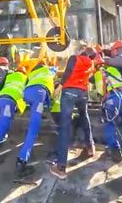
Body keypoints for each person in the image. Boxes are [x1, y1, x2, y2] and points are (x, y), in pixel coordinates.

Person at [50, 44, 95, 180]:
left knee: (65, 126)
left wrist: (60, 85)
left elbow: (68, 71)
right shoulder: (91, 63)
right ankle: (90, 146)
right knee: (84, 116)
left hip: (69, 92)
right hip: (82, 93)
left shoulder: (74, 58)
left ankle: (61, 167)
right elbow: (90, 79)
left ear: (81, 51)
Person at [15, 60, 54, 179]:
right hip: (39, 94)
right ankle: (21, 161)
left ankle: (22, 157)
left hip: (27, 93)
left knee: (33, 120)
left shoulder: (32, 74)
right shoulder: (49, 70)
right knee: (34, 128)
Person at [0, 65, 27, 165]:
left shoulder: (9, 75)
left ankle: (0, 138)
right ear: (24, 73)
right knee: (3, 125)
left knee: (6, 122)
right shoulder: (25, 77)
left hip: (0, 99)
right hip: (8, 101)